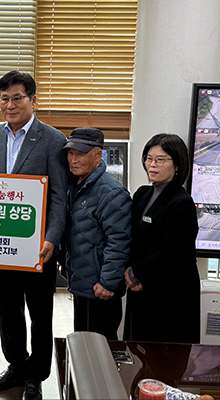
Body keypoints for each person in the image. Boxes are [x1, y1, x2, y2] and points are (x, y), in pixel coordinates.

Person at [0, 71, 67, 400]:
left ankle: (37, 375)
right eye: (4, 99)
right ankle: (16, 365)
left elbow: (59, 195)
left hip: (37, 245)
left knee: (39, 313)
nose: (10, 105)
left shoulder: (53, 139)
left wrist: (52, 237)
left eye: (17, 98)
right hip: (1, 242)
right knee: (8, 309)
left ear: (33, 100)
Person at [124, 133, 200, 344]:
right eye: (149, 158)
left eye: (160, 159)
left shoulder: (182, 203)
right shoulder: (142, 194)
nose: (152, 164)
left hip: (170, 292)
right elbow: (131, 235)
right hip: (140, 286)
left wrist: (136, 273)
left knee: (164, 354)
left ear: (177, 165)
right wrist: (131, 271)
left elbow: (172, 252)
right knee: (137, 348)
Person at [61, 127, 131, 341]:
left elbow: (119, 241)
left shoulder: (111, 192)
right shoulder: (73, 184)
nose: (73, 160)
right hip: (82, 283)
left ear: (99, 155)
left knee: (100, 348)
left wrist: (108, 282)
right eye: (70, 153)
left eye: (80, 154)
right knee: (83, 344)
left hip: (100, 288)